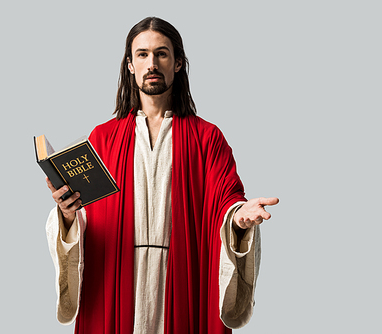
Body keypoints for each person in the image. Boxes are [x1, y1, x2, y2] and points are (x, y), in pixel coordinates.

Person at [45, 17, 279, 334]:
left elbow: (226, 200)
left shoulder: (207, 137)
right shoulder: (103, 138)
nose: (151, 63)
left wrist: (237, 217)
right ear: (129, 65)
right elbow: (88, 216)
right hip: (118, 279)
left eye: (162, 54)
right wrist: (67, 214)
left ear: (178, 63)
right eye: (142, 54)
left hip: (183, 276)